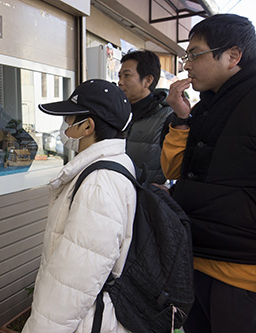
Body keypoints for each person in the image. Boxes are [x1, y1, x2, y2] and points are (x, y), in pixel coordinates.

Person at [161, 14, 256, 332]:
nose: (186, 65)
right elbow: (173, 169)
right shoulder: (205, 106)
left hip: (242, 272)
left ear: (232, 56)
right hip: (197, 257)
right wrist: (182, 118)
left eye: (194, 54)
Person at [22, 79, 136, 332]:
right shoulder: (114, 164)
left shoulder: (99, 183)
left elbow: (75, 279)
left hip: (87, 321)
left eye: (69, 119)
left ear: (88, 126)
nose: (65, 127)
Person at [118, 50, 173, 184]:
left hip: (147, 198)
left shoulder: (168, 116)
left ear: (147, 80)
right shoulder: (118, 112)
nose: (120, 82)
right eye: (119, 76)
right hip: (116, 192)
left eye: (127, 76)